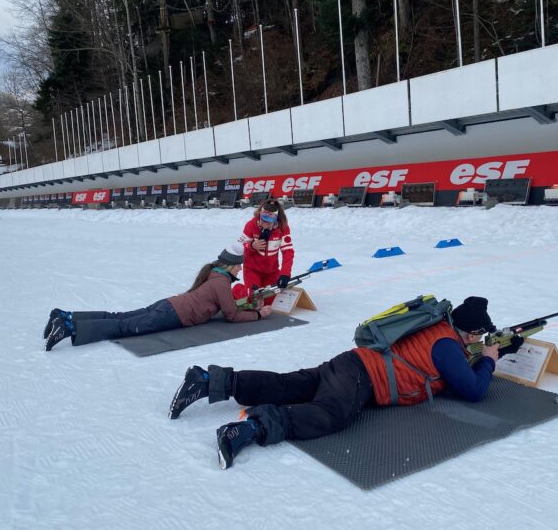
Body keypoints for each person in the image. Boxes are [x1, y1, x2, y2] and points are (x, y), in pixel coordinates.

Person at [168, 296, 524, 469]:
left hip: (351, 362)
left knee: (289, 385)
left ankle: (209, 381)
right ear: (471, 331)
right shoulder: (448, 346)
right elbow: (474, 391)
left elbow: (457, 368)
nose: (480, 341)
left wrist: (495, 353)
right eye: (479, 335)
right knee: (329, 415)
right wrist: (491, 360)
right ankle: (251, 429)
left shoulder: (440, 331)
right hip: (364, 377)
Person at [44, 244, 272, 351]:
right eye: (239, 266)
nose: (241, 270)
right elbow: (231, 314)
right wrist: (258, 315)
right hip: (173, 314)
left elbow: (227, 306)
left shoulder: (214, 273)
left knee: (120, 317)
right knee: (124, 326)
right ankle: (69, 327)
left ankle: (67, 316)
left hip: (169, 304)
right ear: (231, 266)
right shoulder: (222, 282)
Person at [237, 198, 294, 301]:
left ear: (276, 218)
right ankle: (237, 290)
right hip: (252, 270)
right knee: (252, 300)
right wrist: (252, 246)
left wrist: (285, 273)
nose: (266, 223)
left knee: (269, 301)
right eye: (263, 219)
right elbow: (241, 245)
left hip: (272, 271)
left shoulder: (283, 228)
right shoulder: (250, 225)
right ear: (260, 214)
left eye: (270, 221)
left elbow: (288, 252)